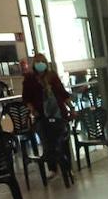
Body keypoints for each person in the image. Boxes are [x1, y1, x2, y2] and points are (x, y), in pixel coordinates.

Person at [21, 52, 72, 180]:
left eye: (42, 62)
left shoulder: (52, 76)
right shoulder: (29, 79)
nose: (40, 65)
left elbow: (62, 93)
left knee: (62, 140)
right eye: (37, 62)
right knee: (47, 142)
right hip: (41, 115)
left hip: (58, 113)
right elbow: (26, 98)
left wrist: (71, 107)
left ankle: (67, 167)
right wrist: (33, 110)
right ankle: (52, 168)